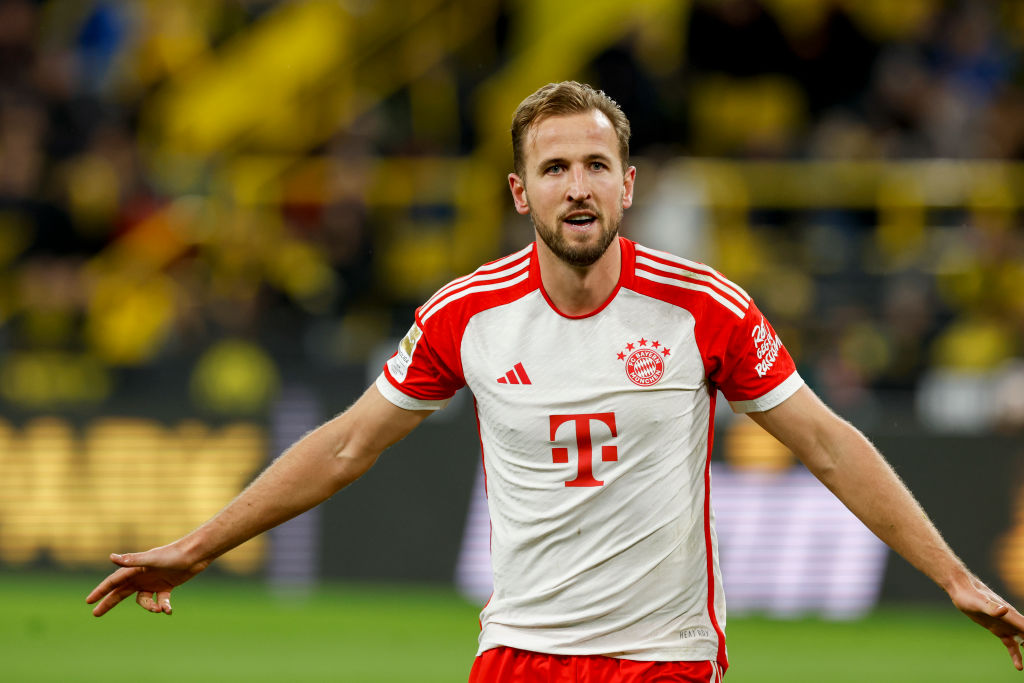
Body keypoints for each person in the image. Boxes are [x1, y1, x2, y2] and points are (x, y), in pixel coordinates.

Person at [87, 81, 1024, 681]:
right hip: (518, 654)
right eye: (555, 167)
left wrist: (952, 576)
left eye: (594, 166)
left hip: (665, 657)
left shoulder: (705, 307)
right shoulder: (466, 314)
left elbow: (827, 442)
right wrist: (202, 544)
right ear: (519, 192)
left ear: (627, 185)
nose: (576, 185)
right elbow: (346, 445)